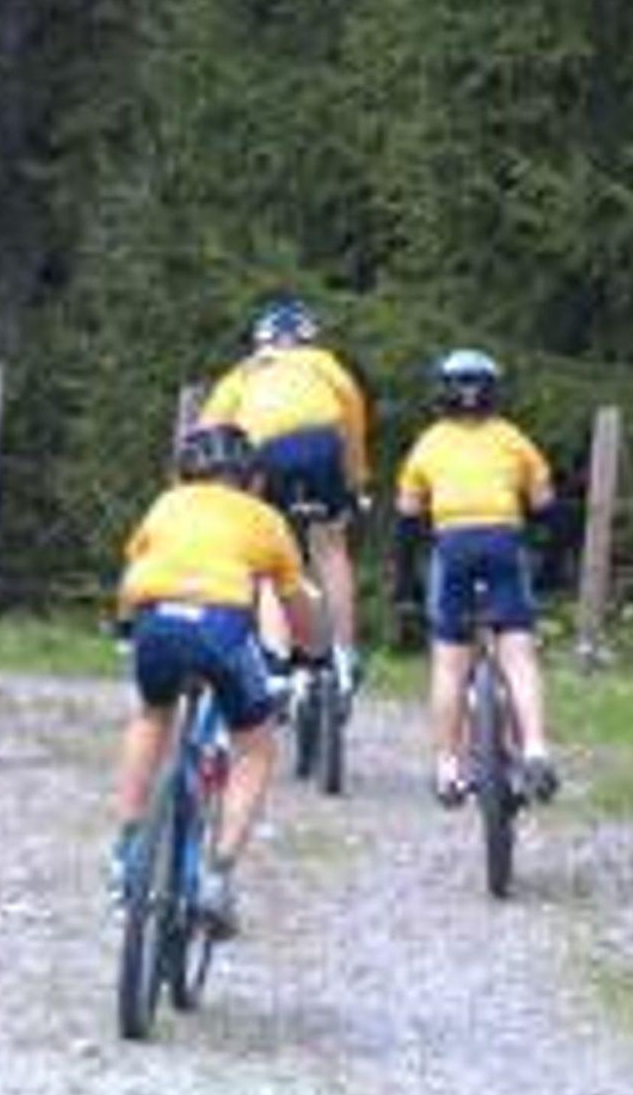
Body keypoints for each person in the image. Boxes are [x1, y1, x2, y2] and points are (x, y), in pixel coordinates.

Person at [111, 423, 329, 937]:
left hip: (156, 620)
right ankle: (218, 875)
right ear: (253, 480)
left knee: (152, 715)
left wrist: (125, 629)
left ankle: (126, 848)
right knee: (255, 748)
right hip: (220, 626)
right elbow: (295, 606)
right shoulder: (264, 519)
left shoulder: (165, 505)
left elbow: (134, 569)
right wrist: (314, 654)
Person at [394, 348, 561, 807]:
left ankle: (448, 768)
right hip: (504, 542)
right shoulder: (513, 439)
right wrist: (550, 567)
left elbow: (407, 521)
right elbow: (546, 508)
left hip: (452, 545)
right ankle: (535, 748)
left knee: (450, 663)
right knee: (519, 653)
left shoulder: (428, 443)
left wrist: (405, 583)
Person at [198, 297, 372, 680]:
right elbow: (353, 419)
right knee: (330, 546)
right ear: (309, 339)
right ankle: (345, 653)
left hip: (264, 451)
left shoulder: (245, 371)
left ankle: (274, 658)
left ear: (261, 341)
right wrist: (356, 480)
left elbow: (208, 431)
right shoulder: (324, 363)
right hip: (322, 444)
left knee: (266, 556)